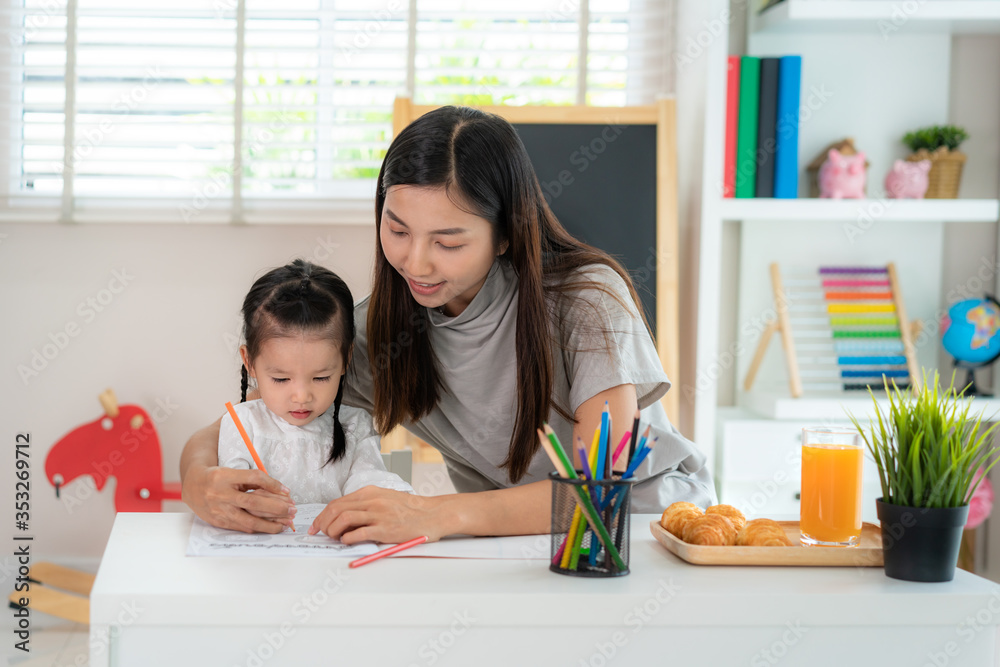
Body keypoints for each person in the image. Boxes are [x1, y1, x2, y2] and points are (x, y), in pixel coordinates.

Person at [181, 105, 716, 544]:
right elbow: (232, 426)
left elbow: (601, 489)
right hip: (508, 543)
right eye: (397, 230)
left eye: (448, 242)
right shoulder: (376, 333)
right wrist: (199, 482)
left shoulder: (589, 300)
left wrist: (436, 514)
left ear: (505, 233)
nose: (415, 263)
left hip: (641, 531)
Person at [218, 259, 412, 517]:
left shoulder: (356, 427)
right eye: (281, 379)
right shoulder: (242, 425)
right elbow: (233, 492)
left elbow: (369, 484)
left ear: (345, 359)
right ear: (249, 362)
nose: (302, 396)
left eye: (320, 378)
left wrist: (395, 500)